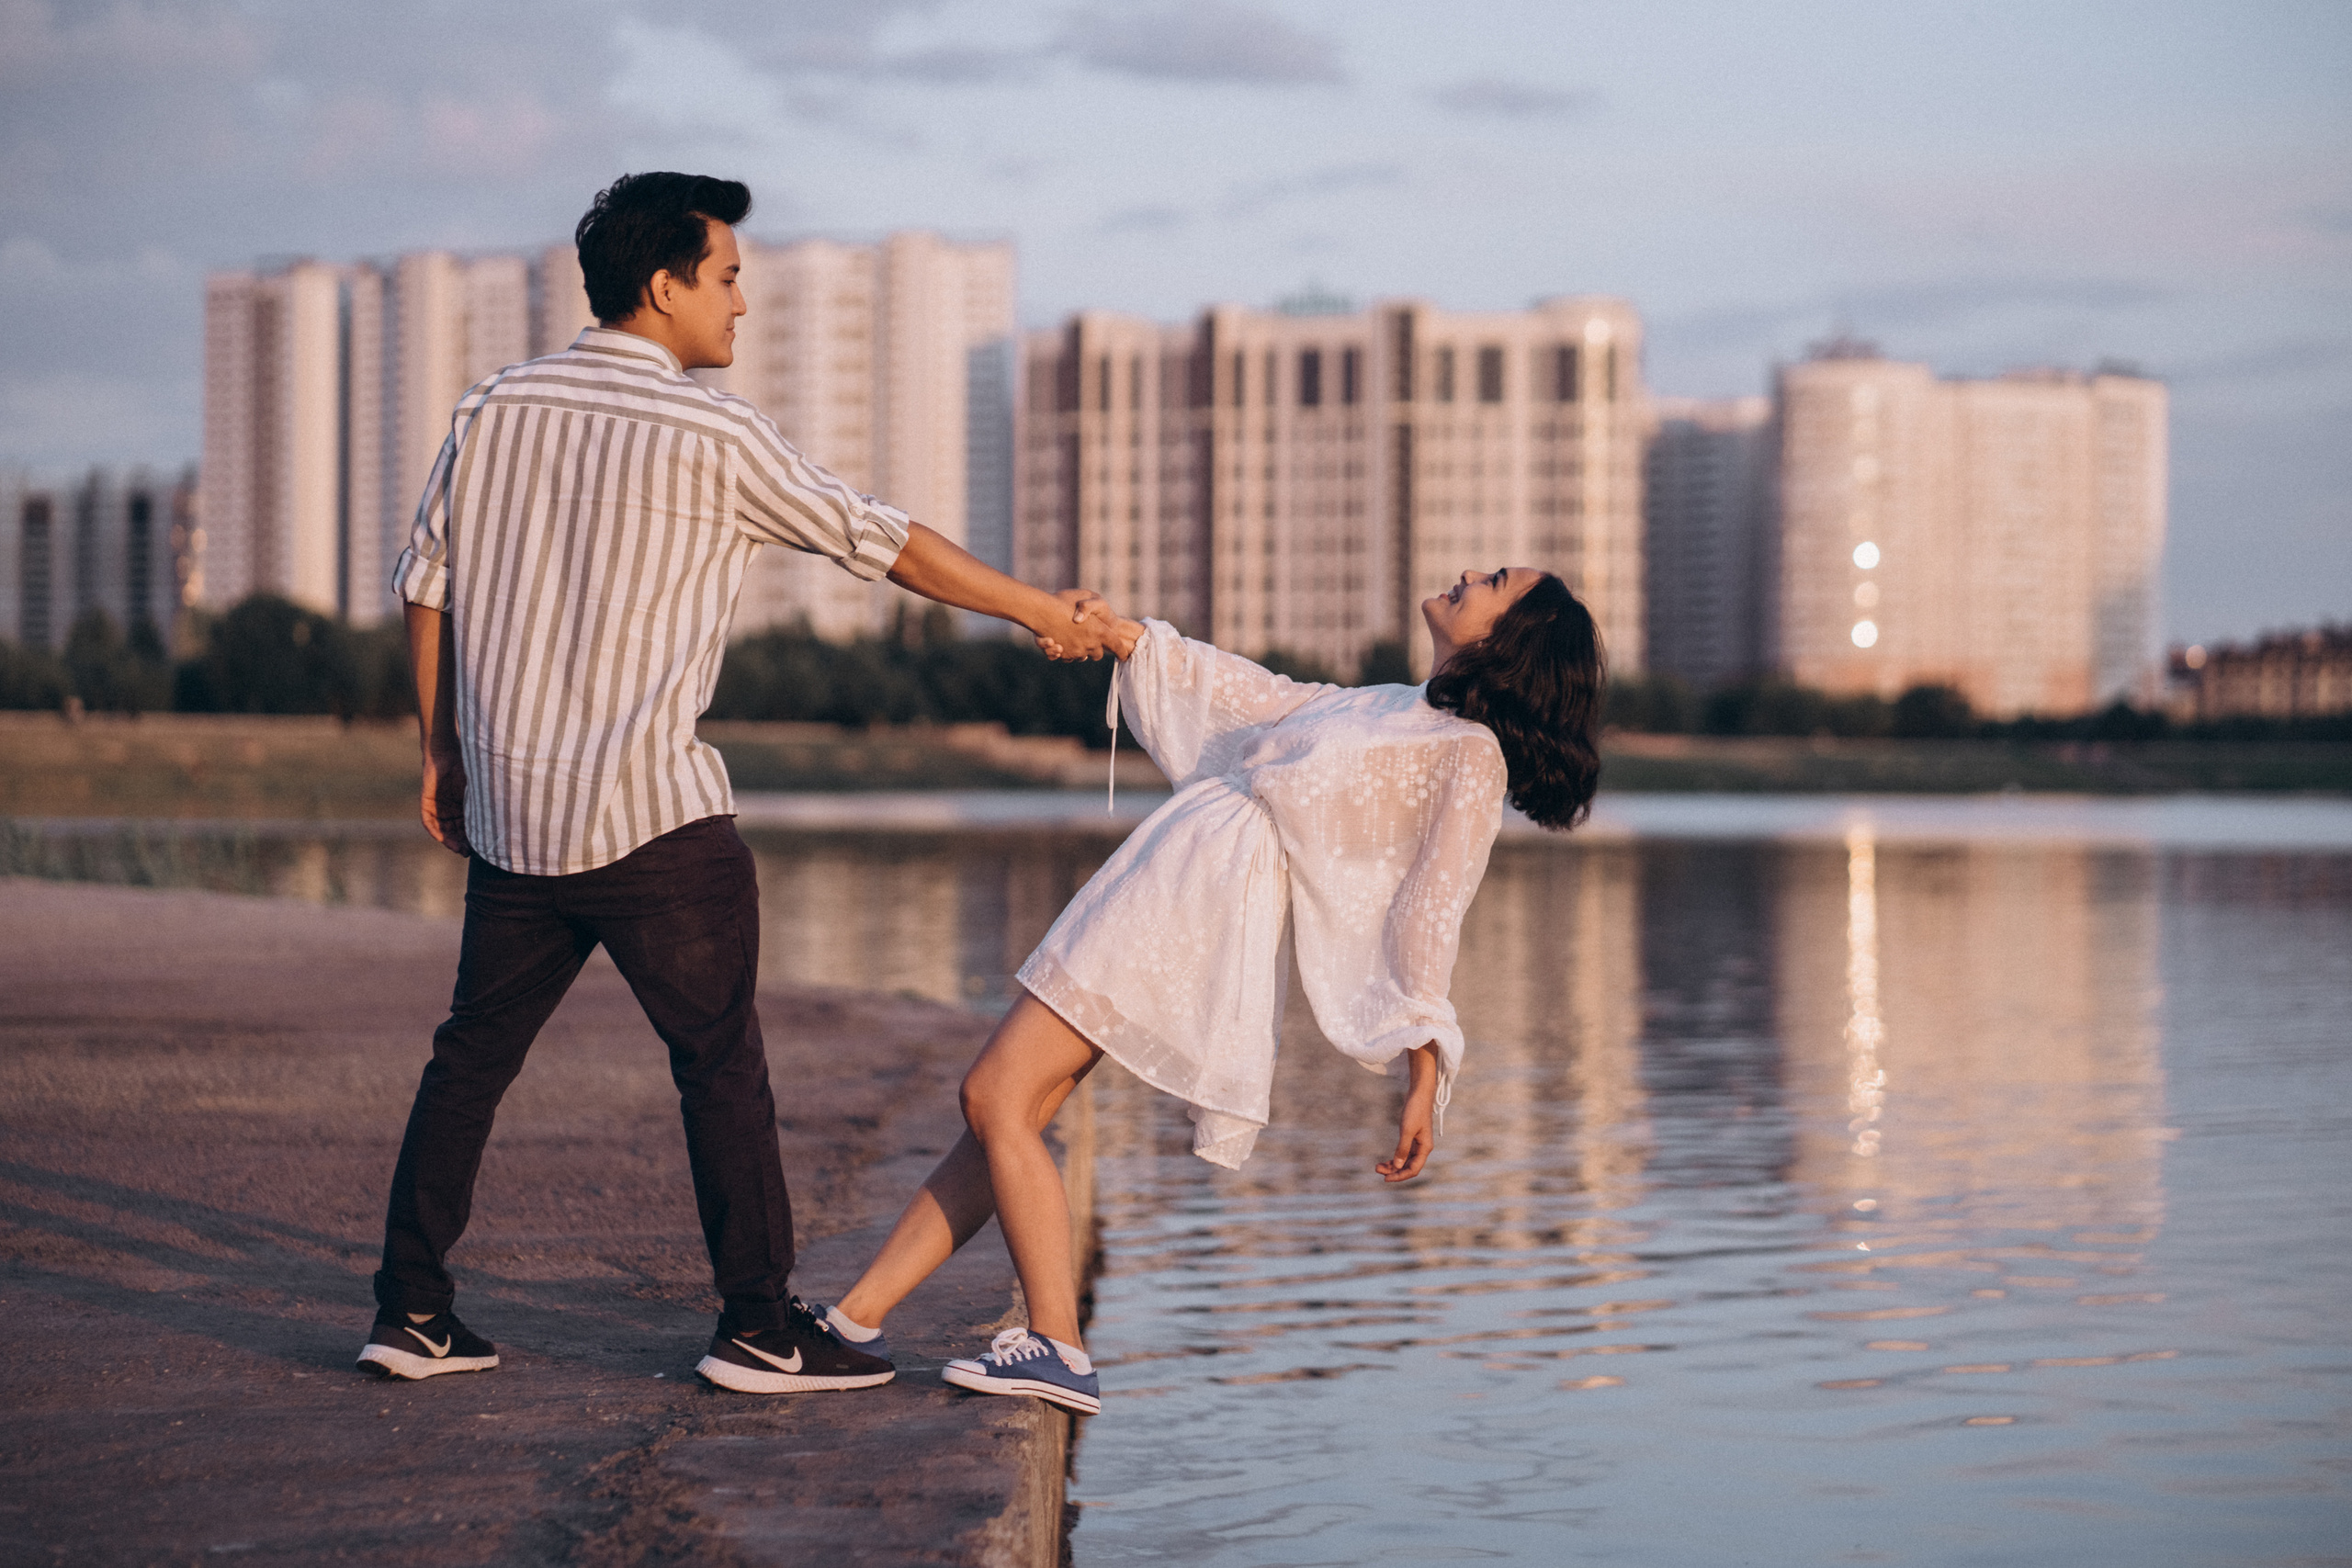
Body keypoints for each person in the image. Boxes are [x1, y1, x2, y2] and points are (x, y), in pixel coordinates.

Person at [355, 172, 1109, 1394]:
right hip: (653, 817)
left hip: (516, 815)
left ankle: (410, 1307)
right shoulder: (715, 431)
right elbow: (884, 540)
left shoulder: (492, 404)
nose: (743, 305)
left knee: (470, 1056)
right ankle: (760, 1326)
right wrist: (1037, 610)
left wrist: (439, 750)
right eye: (729, 276)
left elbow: (425, 582)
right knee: (721, 1066)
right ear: (665, 288)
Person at [803, 567, 1605, 1414]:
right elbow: (1257, 695)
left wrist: (1425, 1064)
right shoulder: (1389, 703)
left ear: (1511, 639)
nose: (1468, 574)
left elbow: (1430, 908)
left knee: (993, 1094)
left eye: (1495, 582)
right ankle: (857, 1320)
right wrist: (1122, 637)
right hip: (1173, 871)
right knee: (1012, 1108)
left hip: (1196, 899)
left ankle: (1058, 1346)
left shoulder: (1469, 756)